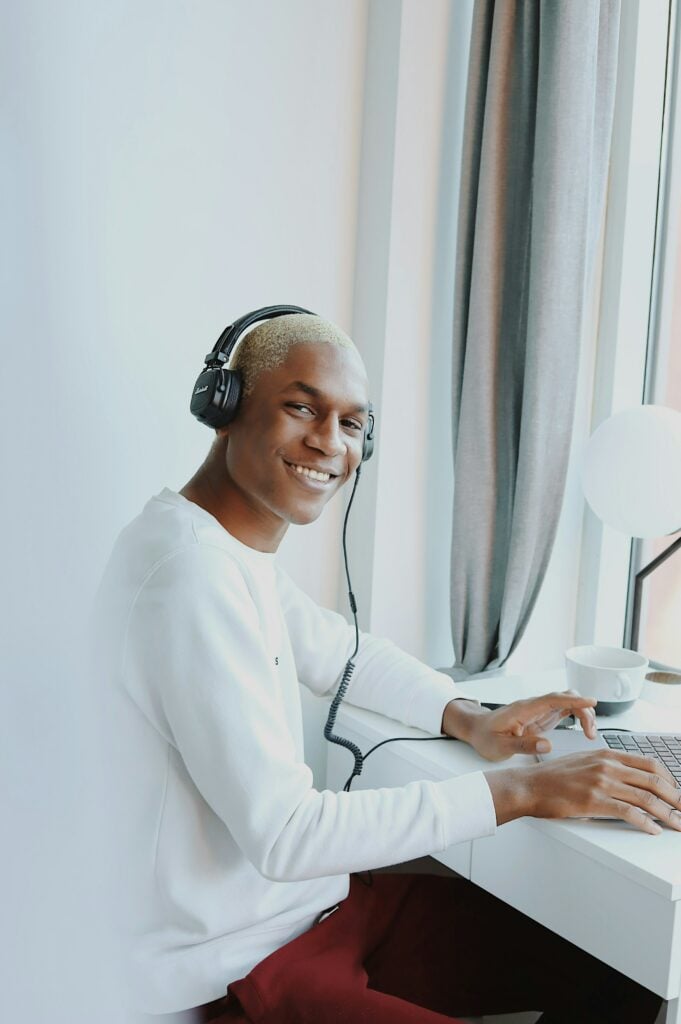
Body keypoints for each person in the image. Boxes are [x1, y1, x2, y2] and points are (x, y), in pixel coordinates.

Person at [95, 310, 680, 1024]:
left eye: (351, 423)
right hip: (234, 969)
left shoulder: (223, 550)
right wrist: (520, 790)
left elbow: (339, 651)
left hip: (317, 916)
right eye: (301, 407)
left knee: (614, 967)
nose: (328, 443)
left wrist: (472, 717)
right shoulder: (187, 577)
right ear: (223, 405)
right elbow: (285, 833)